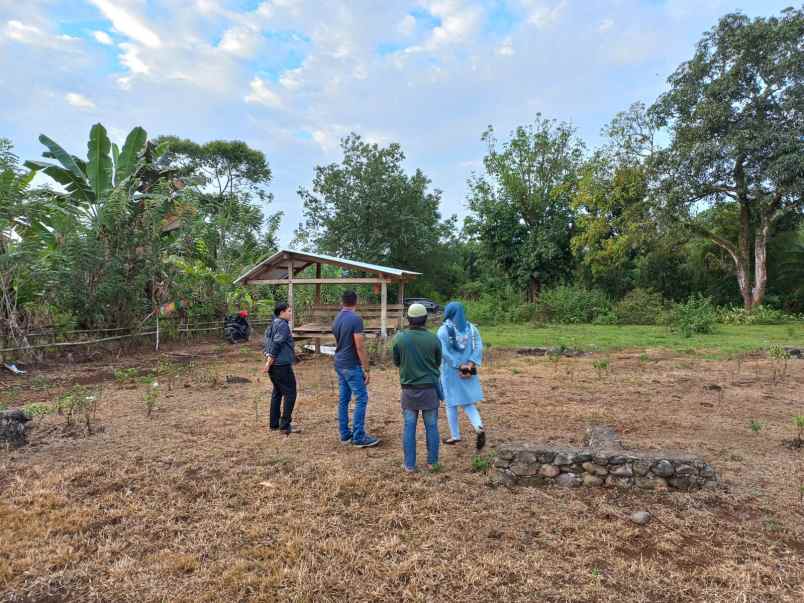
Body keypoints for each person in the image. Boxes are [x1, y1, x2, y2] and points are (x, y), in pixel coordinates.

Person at [392, 303, 442, 473]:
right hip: (429, 391)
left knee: (409, 426)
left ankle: (409, 465)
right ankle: (432, 463)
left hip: (409, 391)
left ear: (409, 319)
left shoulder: (400, 338)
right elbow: (437, 363)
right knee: (432, 426)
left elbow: (397, 362)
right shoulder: (434, 339)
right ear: (425, 319)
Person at [332, 290, 380, 448]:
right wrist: (366, 368)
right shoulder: (355, 319)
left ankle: (345, 434)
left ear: (342, 301)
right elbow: (359, 346)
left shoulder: (337, 318)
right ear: (356, 301)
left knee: (344, 400)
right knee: (361, 398)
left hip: (339, 362)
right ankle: (359, 436)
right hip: (350, 364)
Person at [437, 301, 486, 450]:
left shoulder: (443, 331)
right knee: (468, 403)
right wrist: (469, 365)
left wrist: (458, 365)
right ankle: (479, 426)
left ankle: (455, 435)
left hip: (450, 372)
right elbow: (478, 347)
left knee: (451, 403)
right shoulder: (472, 329)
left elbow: (443, 352)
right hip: (467, 372)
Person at [263, 302, 297, 435]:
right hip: (281, 365)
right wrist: (269, 361)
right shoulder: (283, 325)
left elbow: (266, 342)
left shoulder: (273, 324)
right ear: (282, 313)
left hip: (274, 366)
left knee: (277, 392)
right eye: (289, 311)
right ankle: (285, 425)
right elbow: (277, 344)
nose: (290, 313)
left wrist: (268, 359)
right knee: (290, 393)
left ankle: (274, 424)